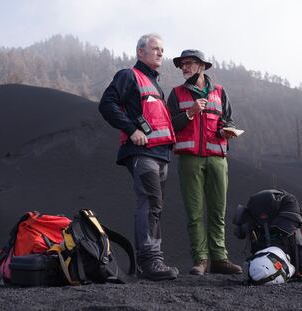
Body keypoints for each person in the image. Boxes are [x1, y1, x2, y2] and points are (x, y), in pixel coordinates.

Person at [99, 34, 179, 281]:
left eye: (162, 50)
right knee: (150, 203)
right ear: (140, 52)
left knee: (155, 206)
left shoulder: (155, 85)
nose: (160, 53)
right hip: (142, 154)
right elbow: (107, 104)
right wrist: (132, 130)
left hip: (161, 154)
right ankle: (150, 261)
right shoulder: (128, 75)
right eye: (155, 48)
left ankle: (151, 260)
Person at [167, 49, 242, 275]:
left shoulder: (219, 92)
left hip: (217, 159)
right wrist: (189, 113)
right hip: (189, 160)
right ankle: (200, 260)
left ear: (202, 66)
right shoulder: (176, 93)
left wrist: (225, 129)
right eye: (182, 65)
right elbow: (169, 125)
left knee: (218, 211)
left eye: (189, 63)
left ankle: (219, 259)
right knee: (195, 213)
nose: (184, 68)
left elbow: (227, 119)